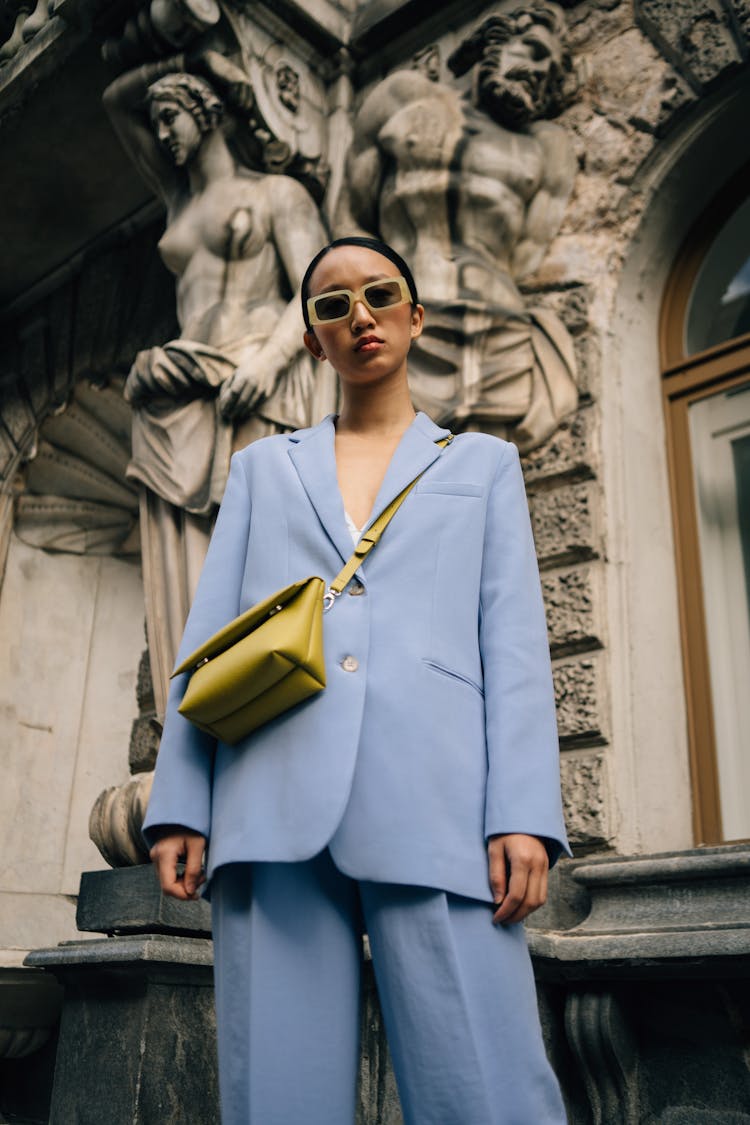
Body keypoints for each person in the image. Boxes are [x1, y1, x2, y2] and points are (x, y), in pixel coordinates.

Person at [143, 235, 570, 1124]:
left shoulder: (483, 465)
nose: (358, 315)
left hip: (440, 801)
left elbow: (517, 649)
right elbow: (210, 636)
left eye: (379, 295)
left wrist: (523, 812)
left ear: (415, 317)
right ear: (312, 340)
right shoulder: (263, 467)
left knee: (484, 1088)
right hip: (269, 793)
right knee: (278, 1096)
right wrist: (182, 801)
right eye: (332, 305)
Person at [103, 52, 331, 712]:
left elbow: (318, 289)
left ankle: (263, 700)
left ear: (206, 113)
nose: (163, 133)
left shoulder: (276, 194)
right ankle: (196, 704)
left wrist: (268, 362)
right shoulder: (179, 199)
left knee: (262, 552)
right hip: (177, 394)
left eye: (171, 116)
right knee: (186, 570)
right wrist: (169, 50)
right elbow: (118, 98)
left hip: (253, 379)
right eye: (160, 122)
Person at [335, 2, 578, 449]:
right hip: (403, 325)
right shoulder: (402, 98)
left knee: (478, 495)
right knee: (388, 487)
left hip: (499, 334)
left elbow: (524, 258)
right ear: (494, 40)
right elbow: (351, 223)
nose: (539, 72)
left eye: (552, 70)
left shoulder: (547, 148)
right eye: (533, 51)